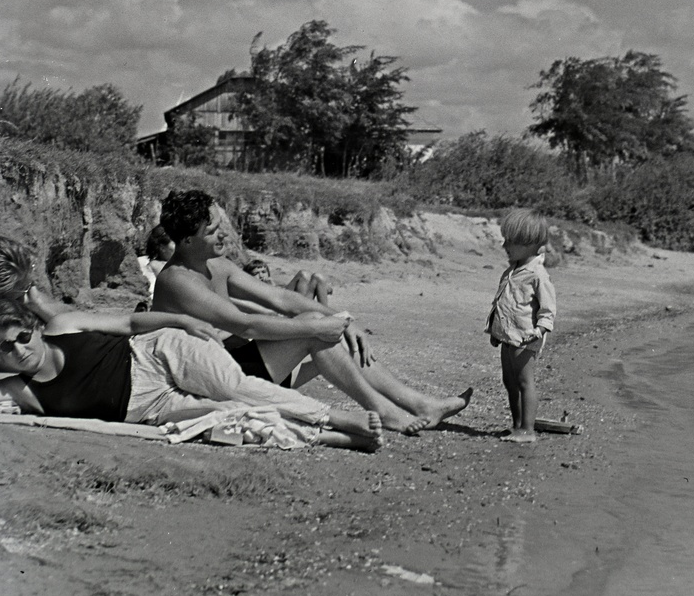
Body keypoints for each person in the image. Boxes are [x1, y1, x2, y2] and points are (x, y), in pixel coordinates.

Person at [153, 188, 471, 436]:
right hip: (208, 380)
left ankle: (418, 404)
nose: (223, 235)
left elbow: (281, 299)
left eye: (221, 226)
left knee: (324, 325)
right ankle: (385, 411)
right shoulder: (179, 281)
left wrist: (343, 319)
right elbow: (246, 325)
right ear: (186, 241)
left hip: (235, 364)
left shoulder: (215, 264)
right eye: (212, 231)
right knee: (316, 330)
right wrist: (319, 328)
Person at [0, 300, 385, 452]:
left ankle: (336, 418)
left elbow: (130, 324)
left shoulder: (63, 325)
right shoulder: (21, 390)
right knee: (229, 425)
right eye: (6, 348)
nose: (19, 350)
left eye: (21, 336)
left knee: (237, 388)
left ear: (34, 327)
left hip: (156, 354)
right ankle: (333, 438)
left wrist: (180, 321)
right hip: (148, 408)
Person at [487, 209, 556, 444]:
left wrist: (539, 331)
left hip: (526, 336)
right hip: (508, 334)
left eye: (512, 242)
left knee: (525, 381)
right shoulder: (513, 270)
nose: (505, 246)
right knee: (509, 381)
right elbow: (502, 302)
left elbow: (547, 311)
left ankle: (528, 429)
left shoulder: (538, 274)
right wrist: (494, 330)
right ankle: (516, 425)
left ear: (529, 245)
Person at [0, 235, 63, 356]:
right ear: (0, 291)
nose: (30, 287)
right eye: (23, 287)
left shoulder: (18, 289)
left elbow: (72, 318)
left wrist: (38, 305)